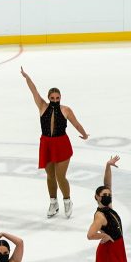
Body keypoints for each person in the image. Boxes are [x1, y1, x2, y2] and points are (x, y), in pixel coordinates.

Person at [21, 67, 89, 218]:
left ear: (61, 98)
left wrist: (84, 134)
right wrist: (27, 77)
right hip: (46, 144)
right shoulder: (42, 106)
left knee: (60, 176)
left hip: (61, 144)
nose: (55, 101)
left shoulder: (66, 110)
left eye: (57, 98)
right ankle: (53, 203)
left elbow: (76, 124)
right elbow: (34, 90)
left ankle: (67, 201)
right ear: (48, 98)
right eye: (52, 98)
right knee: (50, 175)